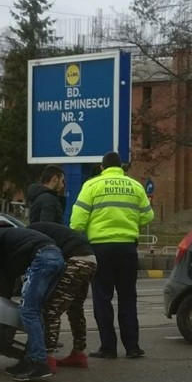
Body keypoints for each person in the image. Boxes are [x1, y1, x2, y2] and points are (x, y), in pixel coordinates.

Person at [69, 151, 154, 360]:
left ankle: (108, 347)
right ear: (122, 167)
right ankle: (133, 347)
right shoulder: (135, 186)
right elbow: (148, 216)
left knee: (102, 297)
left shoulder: (92, 186)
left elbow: (77, 221)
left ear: (102, 167)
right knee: (127, 297)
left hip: (100, 248)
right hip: (127, 248)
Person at [0, 221, 64, 381]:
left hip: (42, 259)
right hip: (55, 257)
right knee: (35, 311)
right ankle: (30, 360)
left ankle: (39, 363)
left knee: (29, 311)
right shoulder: (3, 237)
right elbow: (7, 277)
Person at [29, 221, 98, 368]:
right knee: (75, 308)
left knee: (52, 310)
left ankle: (47, 358)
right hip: (90, 260)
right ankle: (79, 353)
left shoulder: (30, 235)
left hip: (75, 262)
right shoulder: (41, 228)